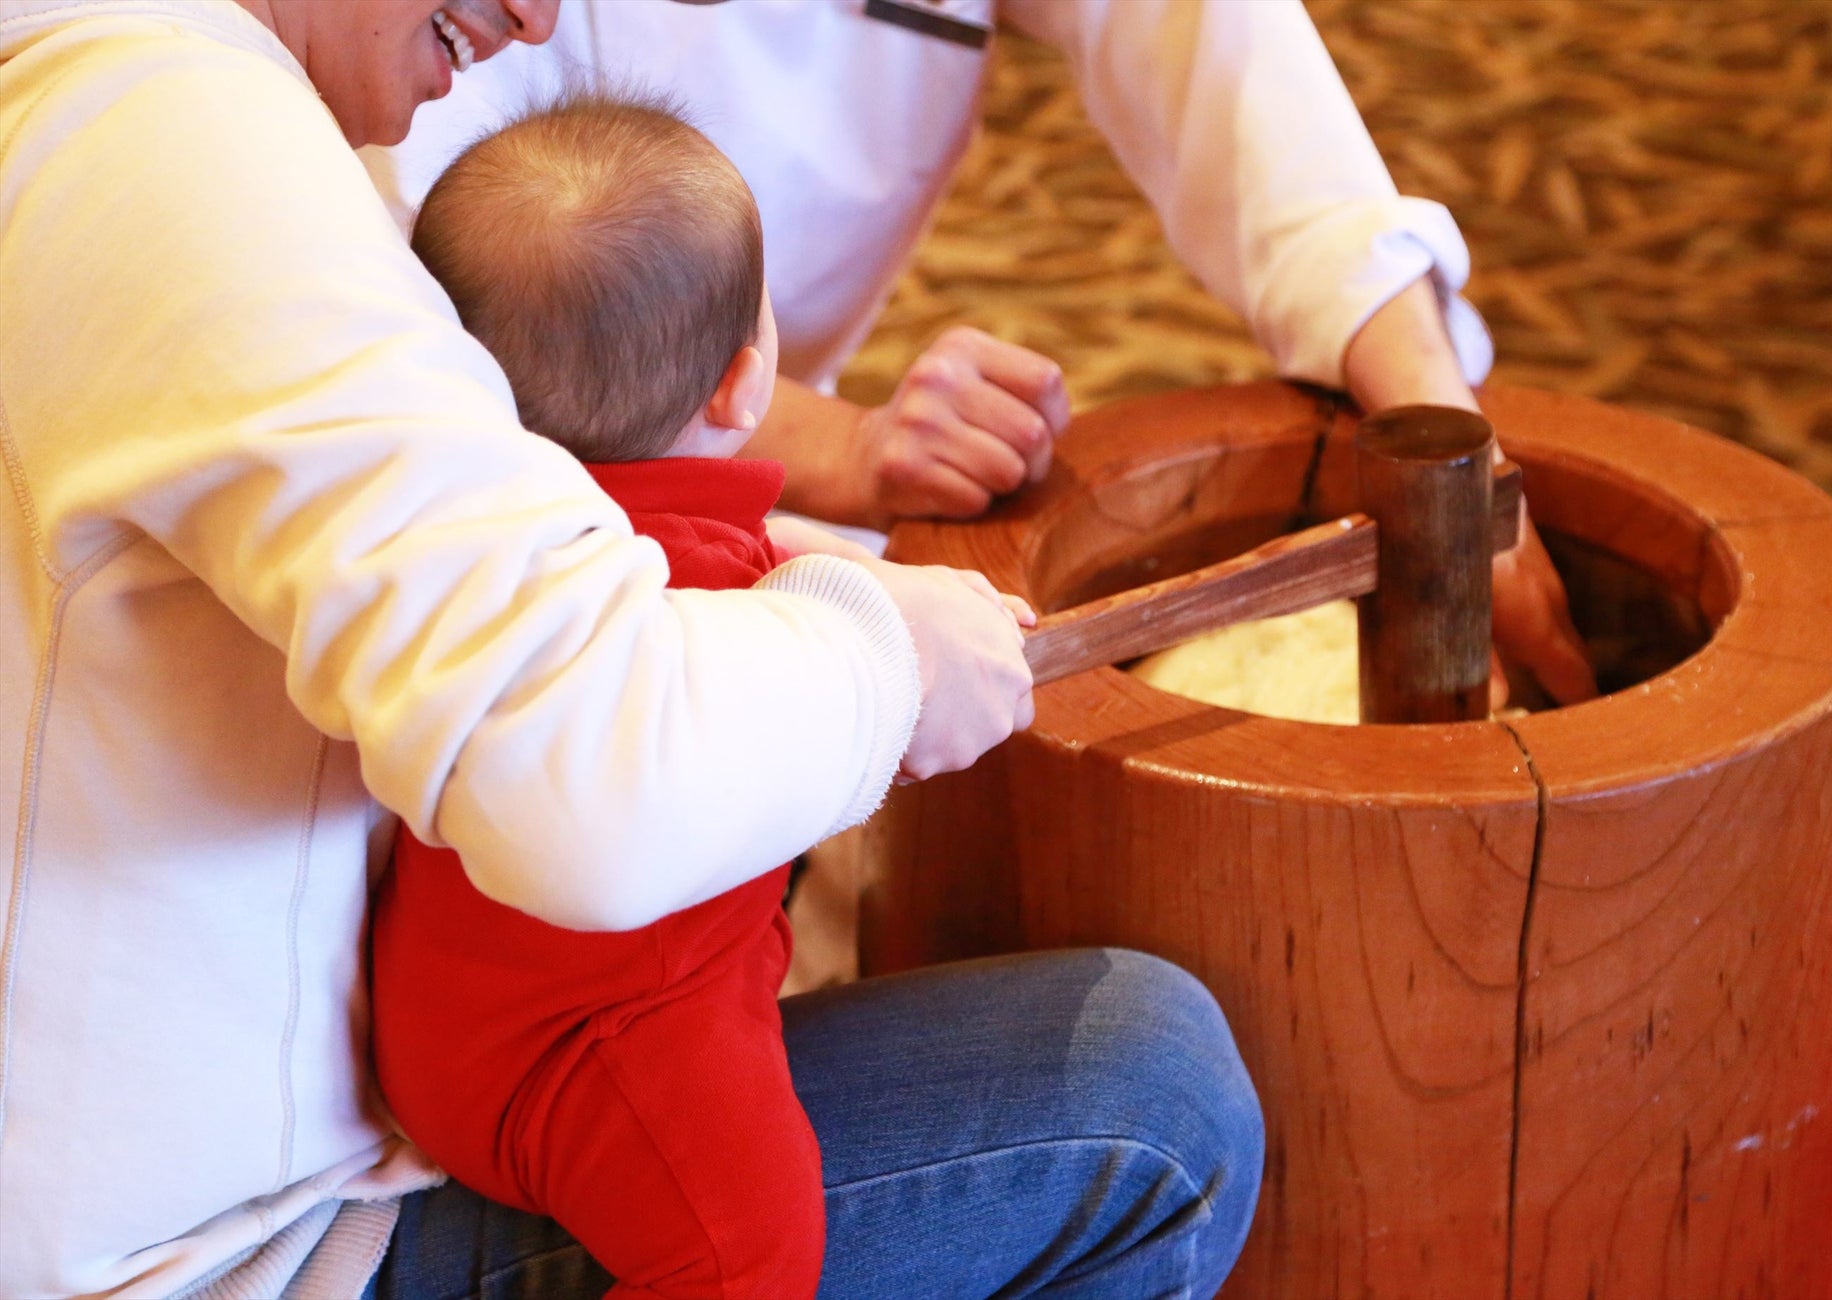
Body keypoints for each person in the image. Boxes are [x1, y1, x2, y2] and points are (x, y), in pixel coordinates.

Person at [0, 2, 1261, 1298]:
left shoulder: (188, 99)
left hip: (369, 1089)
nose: (542, 16)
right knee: (1147, 1108)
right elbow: (581, 789)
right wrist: (885, 652)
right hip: (224, 1253)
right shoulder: (181, 151)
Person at [367, 0, 1598, 706]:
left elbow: (1225, 66)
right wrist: (844, 447)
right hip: (541, 517)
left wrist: (1448, 443)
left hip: (757, 417)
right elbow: (476, 328)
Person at [375, 95, 1026, 1299]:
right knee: (753, 1250)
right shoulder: (721, 594)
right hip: (599, 1054)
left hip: (434, 1021)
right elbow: (818, 720)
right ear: (742, 385)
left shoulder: (469, 541)